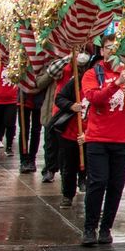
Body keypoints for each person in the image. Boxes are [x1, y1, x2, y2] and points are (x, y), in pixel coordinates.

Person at [79, 31, 125, 246]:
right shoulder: (92, 73)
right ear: (102, 50)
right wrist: (115, 84)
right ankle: (90, 227)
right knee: (97, 182)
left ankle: (106, 227)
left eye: (117, 49)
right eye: (109, 49)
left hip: (123, 138)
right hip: (98, 137)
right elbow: (93, 98)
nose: (113, 53)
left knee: (116, 185)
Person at [47, 50, 91, 208]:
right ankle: (67, 195)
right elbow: (59, 98)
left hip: (91, 132)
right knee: (69, 166)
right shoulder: (76, 82)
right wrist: (72, 106)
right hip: (71, 131)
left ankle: (84, 182)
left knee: (89, 163)